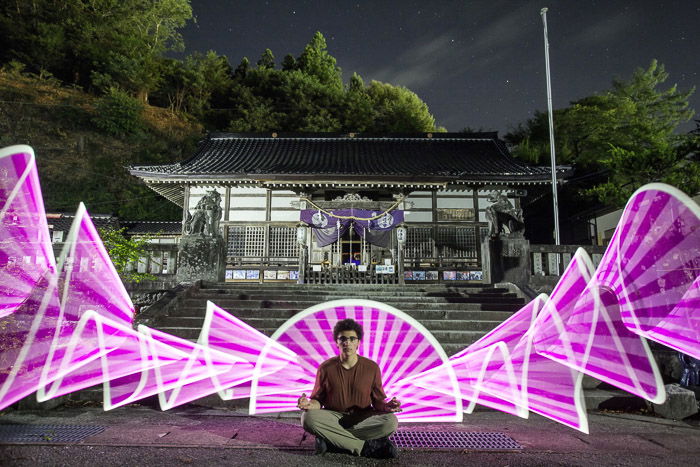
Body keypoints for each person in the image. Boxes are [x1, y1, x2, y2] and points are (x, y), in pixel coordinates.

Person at [297, 318, 402, 458]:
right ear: (337, 342)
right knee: (307, 418)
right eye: (343, 339)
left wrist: (387, 406)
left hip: (363, 419)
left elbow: (378, 401)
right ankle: (364, 447)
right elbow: (318, 401)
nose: (347, 342)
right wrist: (309, 404)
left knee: (391, 422)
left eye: (352, 339)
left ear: (358, 343)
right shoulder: (325, 368)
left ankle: (331, 442)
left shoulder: (371, 367)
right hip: (333, 418)